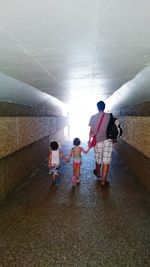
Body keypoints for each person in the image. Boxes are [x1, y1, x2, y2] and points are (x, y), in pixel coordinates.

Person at [88, 101, 113, 186]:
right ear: (104, 107)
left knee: (98, 160)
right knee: (106, 162)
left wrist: (89, 140)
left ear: (97, 107)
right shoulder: (109, 116)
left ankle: (98, 174)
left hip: (98, 141)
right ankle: (103, 181)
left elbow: (91, 132)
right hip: (108, 141)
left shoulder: (93, 117)